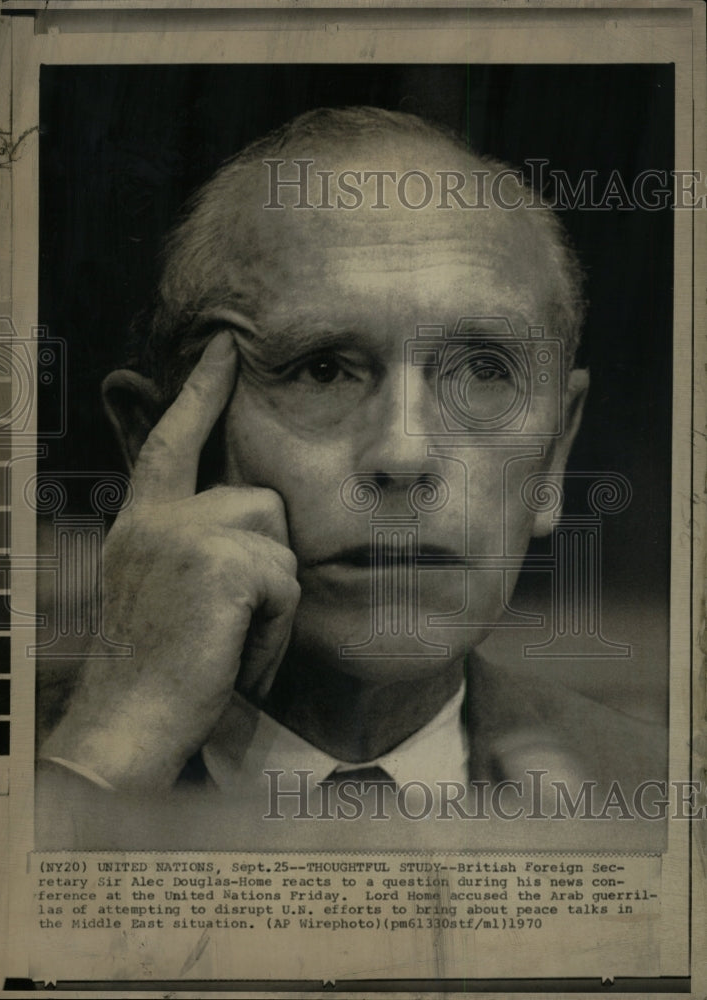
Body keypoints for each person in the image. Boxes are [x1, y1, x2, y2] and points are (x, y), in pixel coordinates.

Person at [36, 107, 665, 850]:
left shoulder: (662, 804)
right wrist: (110, 750)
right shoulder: (34, 777)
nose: (404, 454)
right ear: (153, 444)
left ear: (555, 455)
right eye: (323, 368)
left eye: (482, 372)